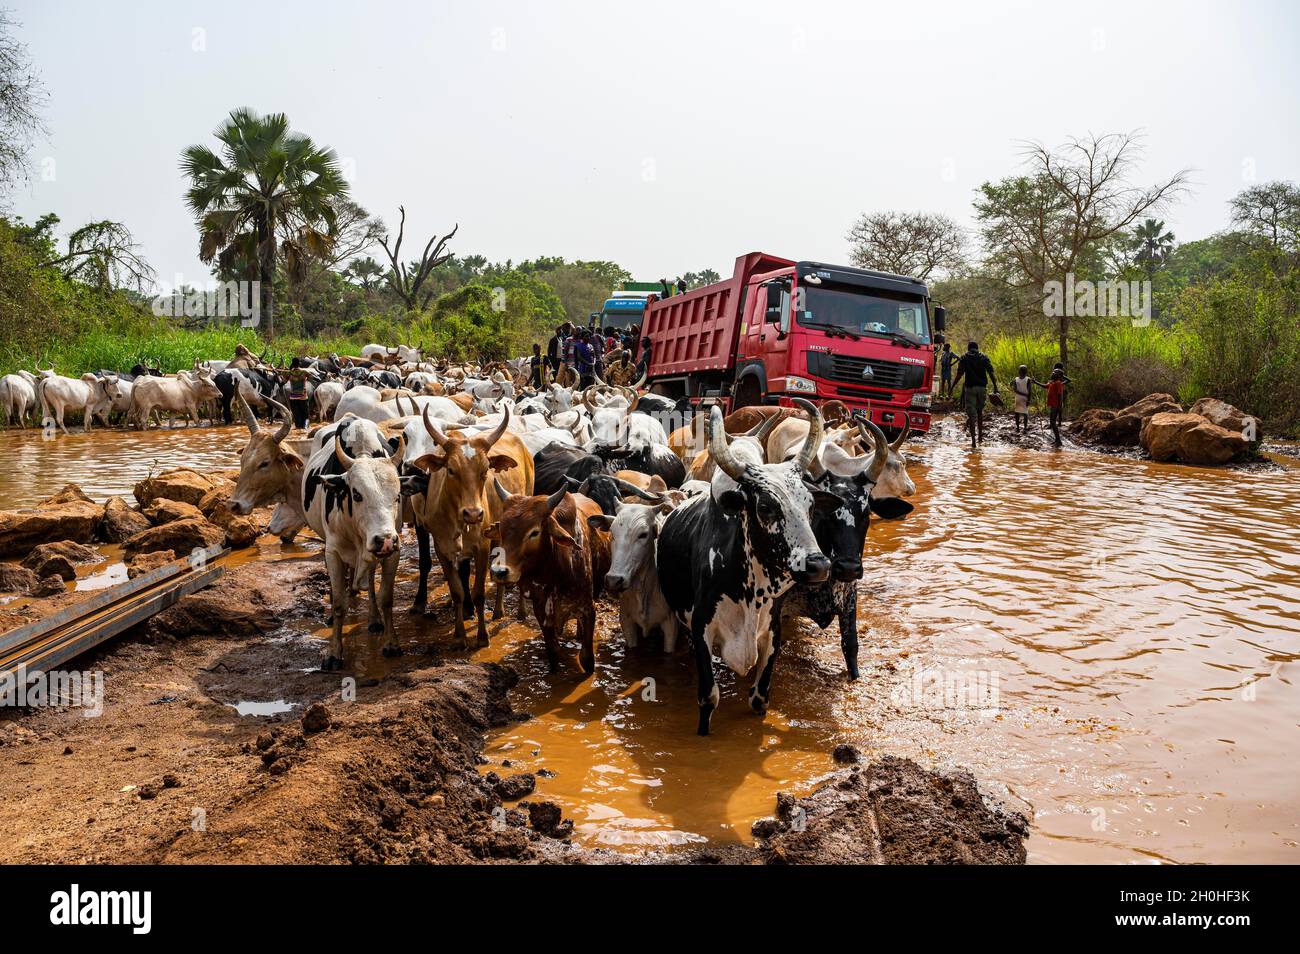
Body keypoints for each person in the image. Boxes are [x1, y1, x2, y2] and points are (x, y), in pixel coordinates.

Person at [950, 340, 998, 449]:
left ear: (968, 349)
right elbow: (991, 373)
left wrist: (952, 387)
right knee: (980, 412)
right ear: (977, 348)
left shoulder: (964, 358)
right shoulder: (984, 357)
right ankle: (980, 437)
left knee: (972, 416)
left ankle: (973, 442)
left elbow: (959, 374)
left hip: (970, 389)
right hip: (982, 388)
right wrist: (995, 387)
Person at [1009, 364, 1047, 435]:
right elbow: (1028, 391)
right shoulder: (1024, 379)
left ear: (1019, 371)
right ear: (1026, 371)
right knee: (1023, 413)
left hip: (1019, 398)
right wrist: (1027, 398)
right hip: (1023, 398)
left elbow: (1016, 390)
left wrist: (1026, 397)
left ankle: (1019, 428)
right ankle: (1023, 428)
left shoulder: (1019, 379)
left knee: (1019, 413)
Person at [285, 357, 311, 430]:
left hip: (293, 397)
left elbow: (285, 379)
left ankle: (298, 429)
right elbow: (310, 377)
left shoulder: (289, 373)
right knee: (305, 415)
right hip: (303, 397)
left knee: (297, 415)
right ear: (299, 364)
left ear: (292, 364)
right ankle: (305, 430)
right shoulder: (304, 372)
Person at [1046, 368, 1066, 447]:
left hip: (1056, 406)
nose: (1053, 373)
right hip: (1053, 405)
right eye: (1053, 371)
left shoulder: (1058, 383)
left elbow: (1060, 396)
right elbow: (1045, 386)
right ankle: (1057, 440)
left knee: (1053, 423)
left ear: (1058, 375)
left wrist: (1060, 406)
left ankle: (1058, 441)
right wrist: (1035, 382)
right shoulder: (1052, 382)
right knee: (1052, 422)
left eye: (1055, 372)